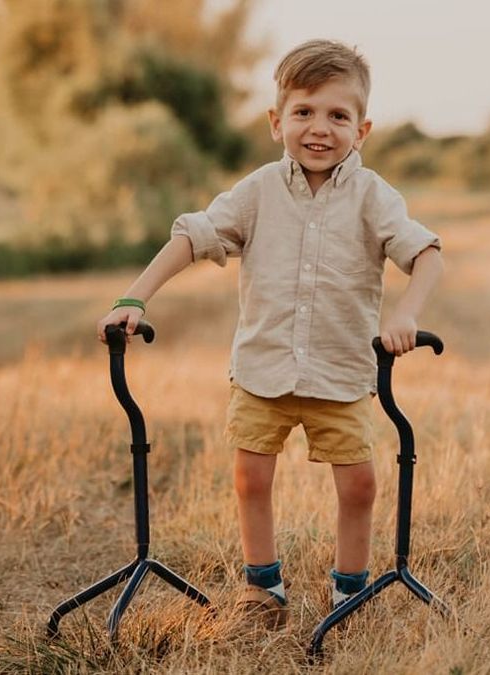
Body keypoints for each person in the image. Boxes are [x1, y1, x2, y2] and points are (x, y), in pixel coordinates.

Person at [96, 39, 443, 630]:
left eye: (338, 116)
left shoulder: (374, 196)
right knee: (250, 477)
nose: (319, 128)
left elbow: (427, 253)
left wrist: (406, 313)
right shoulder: (257, 191)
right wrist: (134, 296)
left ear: (362, 130)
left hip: (341, 372)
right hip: (262, 370)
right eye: (304, 112)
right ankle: (263, 590)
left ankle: (349, 594)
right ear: (276, 120)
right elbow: (193, 236)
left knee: (359, 485)